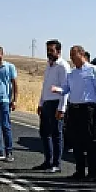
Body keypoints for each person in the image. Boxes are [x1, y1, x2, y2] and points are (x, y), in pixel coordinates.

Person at [59, 45, 96, 181]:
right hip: (74, 108)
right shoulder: (72, 73)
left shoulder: (93, 70)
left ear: (82, 54)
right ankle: (79, 170)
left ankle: (92, 173)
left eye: (74, 55)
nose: (72, 58)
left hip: (87, 109)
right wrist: (58, 90)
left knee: (89, 141)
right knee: (76, 141)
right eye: (71, 55)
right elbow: (66, 89)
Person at [35, 40, 70, 173]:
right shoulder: (49, 66)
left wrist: (61, 108)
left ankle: (56, 163)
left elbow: (65, 89)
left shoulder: (63, 66)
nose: (49, 53)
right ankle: (47, 161)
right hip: (47, 103)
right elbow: (45, 86)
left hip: (56, 102)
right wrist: (40, 103)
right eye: (48, 50)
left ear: (58, 51)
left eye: (51, 50)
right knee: (44, 133)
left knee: (57, 134)